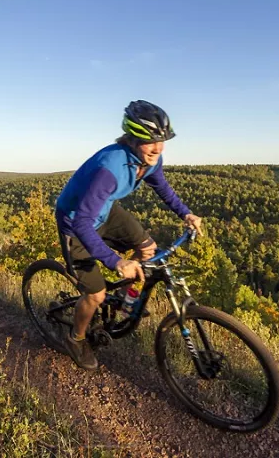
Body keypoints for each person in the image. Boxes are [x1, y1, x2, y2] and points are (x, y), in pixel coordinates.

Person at [55, 100, 202, 370]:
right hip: (76, 223)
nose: (157, 148)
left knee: (148, 248)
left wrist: (186, 213)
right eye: (150, 141)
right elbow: (83, 224)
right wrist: (116, 262)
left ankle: (125, 298)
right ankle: (75, 339)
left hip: (106, 212)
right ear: (133, 138)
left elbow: (163, 189)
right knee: (96, 295)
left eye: (162, 141)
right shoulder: (109, 169)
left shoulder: (150, 161)